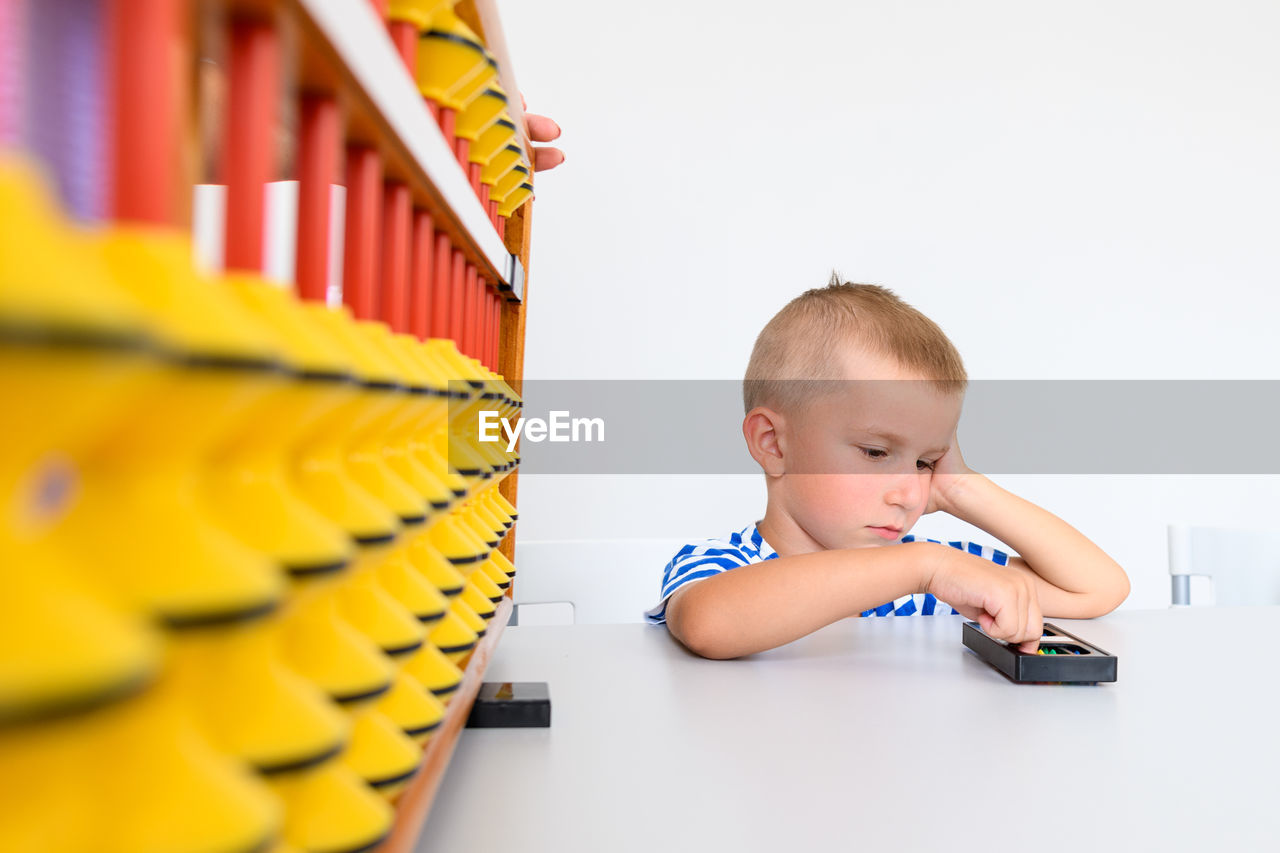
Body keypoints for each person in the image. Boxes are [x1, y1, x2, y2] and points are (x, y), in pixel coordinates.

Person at [644, 276, 1130, 660]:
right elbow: (709, 624)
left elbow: (1097, 588)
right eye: (876, 453)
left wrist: (961, 488)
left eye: (924, 462)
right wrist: (925, 568)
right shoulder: (723, 565)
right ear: (773, 443)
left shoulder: (941, 574)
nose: (909, 493)